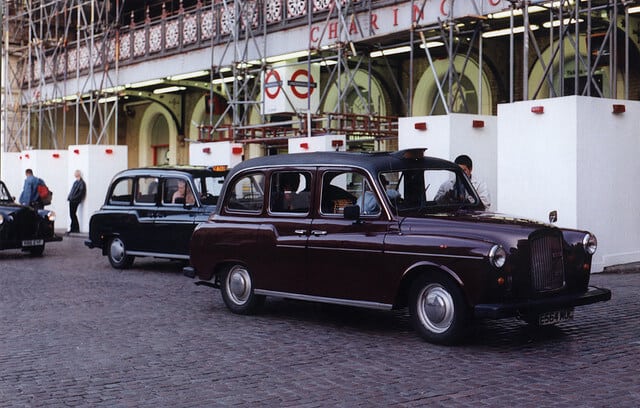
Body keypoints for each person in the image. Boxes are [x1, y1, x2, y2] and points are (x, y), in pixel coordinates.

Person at [67, 169, 86, 234]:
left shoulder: (81, 183)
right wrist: (69, 197)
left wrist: (73, 198)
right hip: (72, 200)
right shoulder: (76, 182)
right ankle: (73, 228)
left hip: (75, 200)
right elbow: (72, 191)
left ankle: (75, 228)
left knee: (72, 214)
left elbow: (81, 192)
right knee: (72, 214)